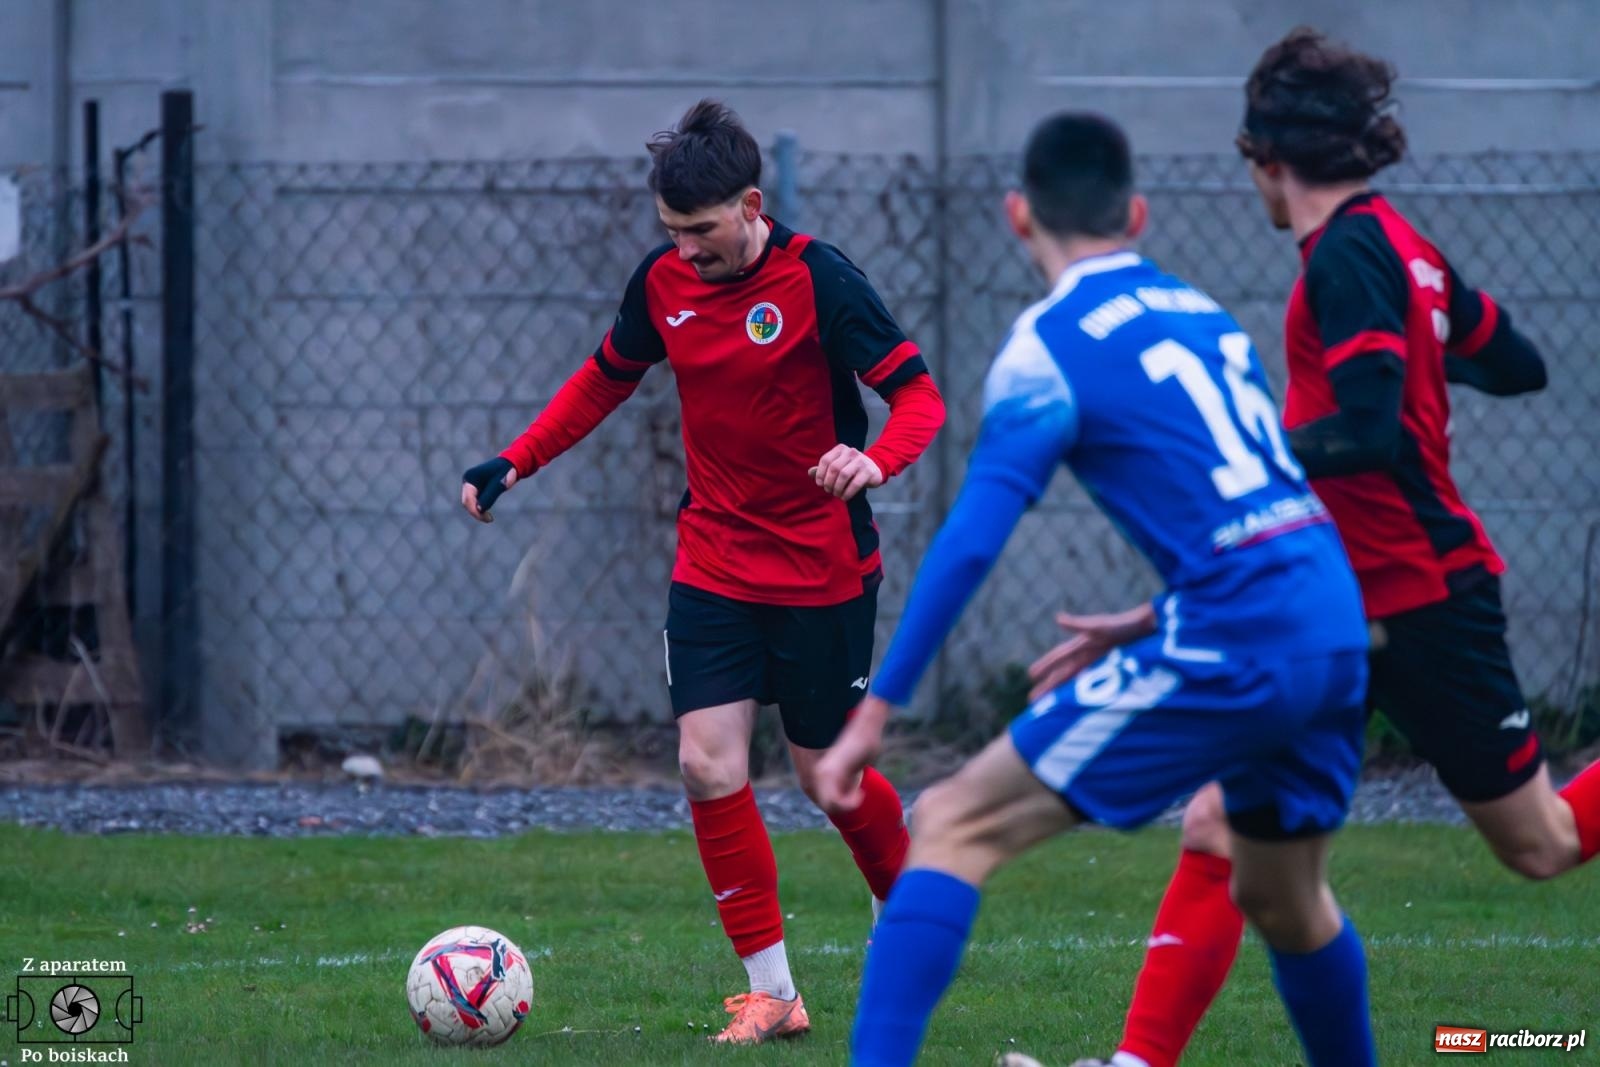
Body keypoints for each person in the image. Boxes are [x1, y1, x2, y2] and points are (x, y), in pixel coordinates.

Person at [1060, 27, 1600, 1067]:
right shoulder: (1402, 247)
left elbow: (1368, 430)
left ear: (1267, 156)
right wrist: (1429, 343)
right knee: (1223, 832)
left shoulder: (1350, 254)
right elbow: (1517, 362)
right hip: (1334, 603)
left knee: (1543, 844)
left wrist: (1245, 449)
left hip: (1423, 594)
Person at [814, 111, 1377, 1067]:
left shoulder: (1048, 346)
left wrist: (876, 714)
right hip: (1333, 624)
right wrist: (1158, 616)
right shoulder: (1206, 315)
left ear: (1018, 215)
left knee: (950, 822)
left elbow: (970, 540)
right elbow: (1263, 507)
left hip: (1240, 636)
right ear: (1138, 215)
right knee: (1287, 899)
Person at [459, 99, 946, 1044]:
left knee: (831, 780)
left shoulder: (821, 279)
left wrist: (875, 460)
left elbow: (917, 395)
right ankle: (773, 993)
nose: (684, 249)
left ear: (751, 205)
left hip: (821, 568)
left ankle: (911, 900)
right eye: (671, 230)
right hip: (715, 559)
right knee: (705, 762)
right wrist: (516, 459)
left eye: (701, 230)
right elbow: (606, 376)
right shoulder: (663, 281)